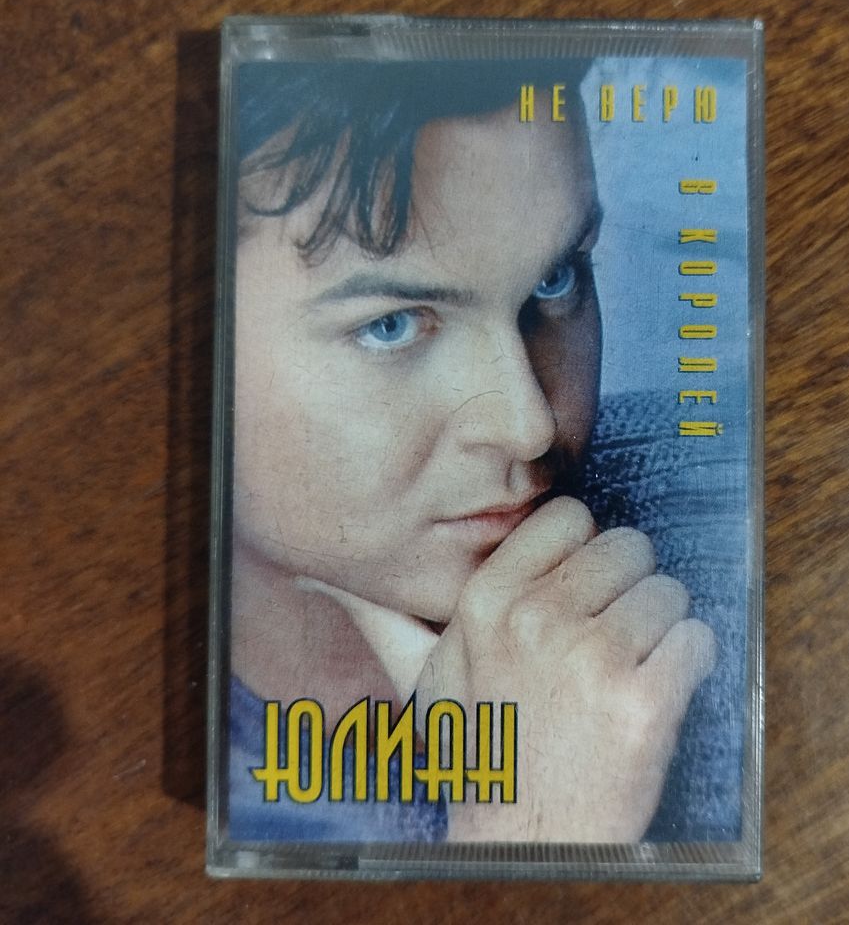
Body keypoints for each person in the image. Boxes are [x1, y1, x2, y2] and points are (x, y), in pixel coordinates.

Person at [227, 59, 719, 844]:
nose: (531, 426)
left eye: (555, 280)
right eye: (391, 325)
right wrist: (535, 832)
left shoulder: (731, 517)